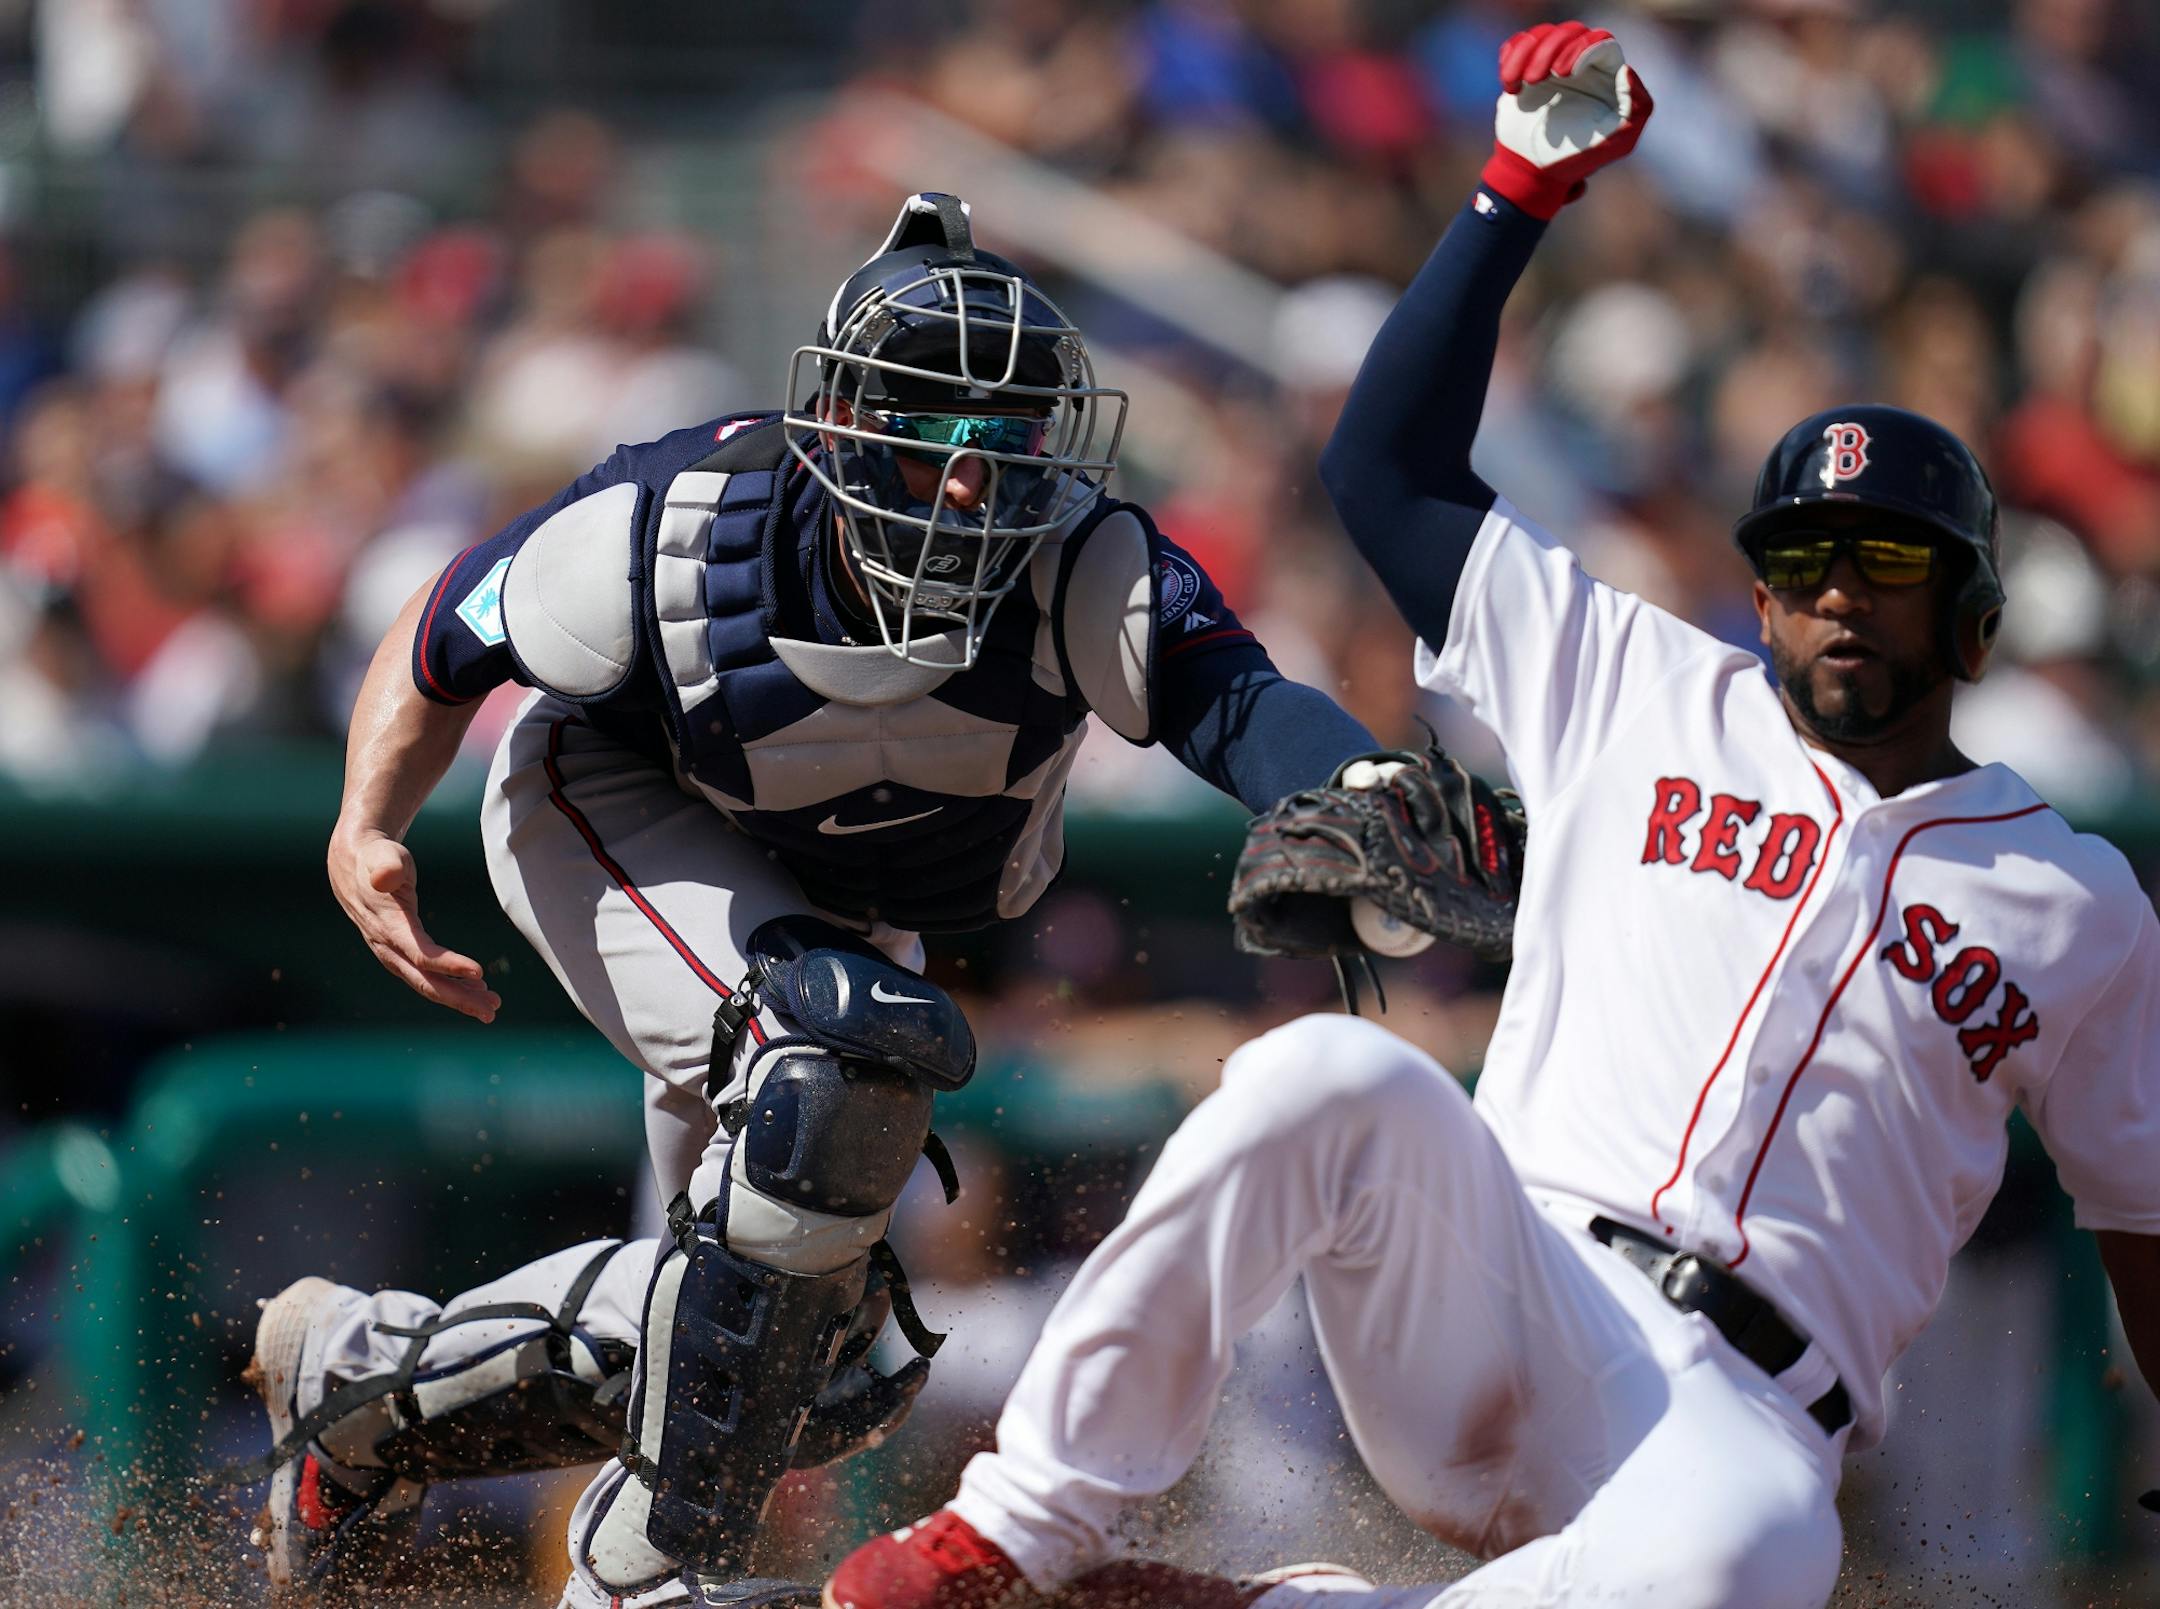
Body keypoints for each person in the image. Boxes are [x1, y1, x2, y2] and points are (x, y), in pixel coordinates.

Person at [822, 23, 2160, 1609]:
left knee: (1763, 1551)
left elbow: (2138, 1209)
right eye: (1804, 563)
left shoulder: (2074, 897)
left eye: (1889, 565)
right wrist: (1514, 193)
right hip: (1506, 1283)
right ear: (1760, 592)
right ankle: (1014, 1536)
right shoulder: (1638, 683)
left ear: (1978, 623)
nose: (1839, 599)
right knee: (1326, 1068)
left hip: (1738, 1426)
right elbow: (1388, 472)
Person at [236, 192, 1381, 1609]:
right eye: (936, 434)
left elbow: (1241, 704)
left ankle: (362, 1386)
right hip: (616, 809)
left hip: (842, 921)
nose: (976, 482)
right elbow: (438, 643)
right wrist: (364, 824)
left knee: (809, 1350)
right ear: (840, 426)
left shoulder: (1082, 559)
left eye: (1008, 440)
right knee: (822, 1088)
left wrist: (1376, 788)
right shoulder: (666, 531)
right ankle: (634, 1574)